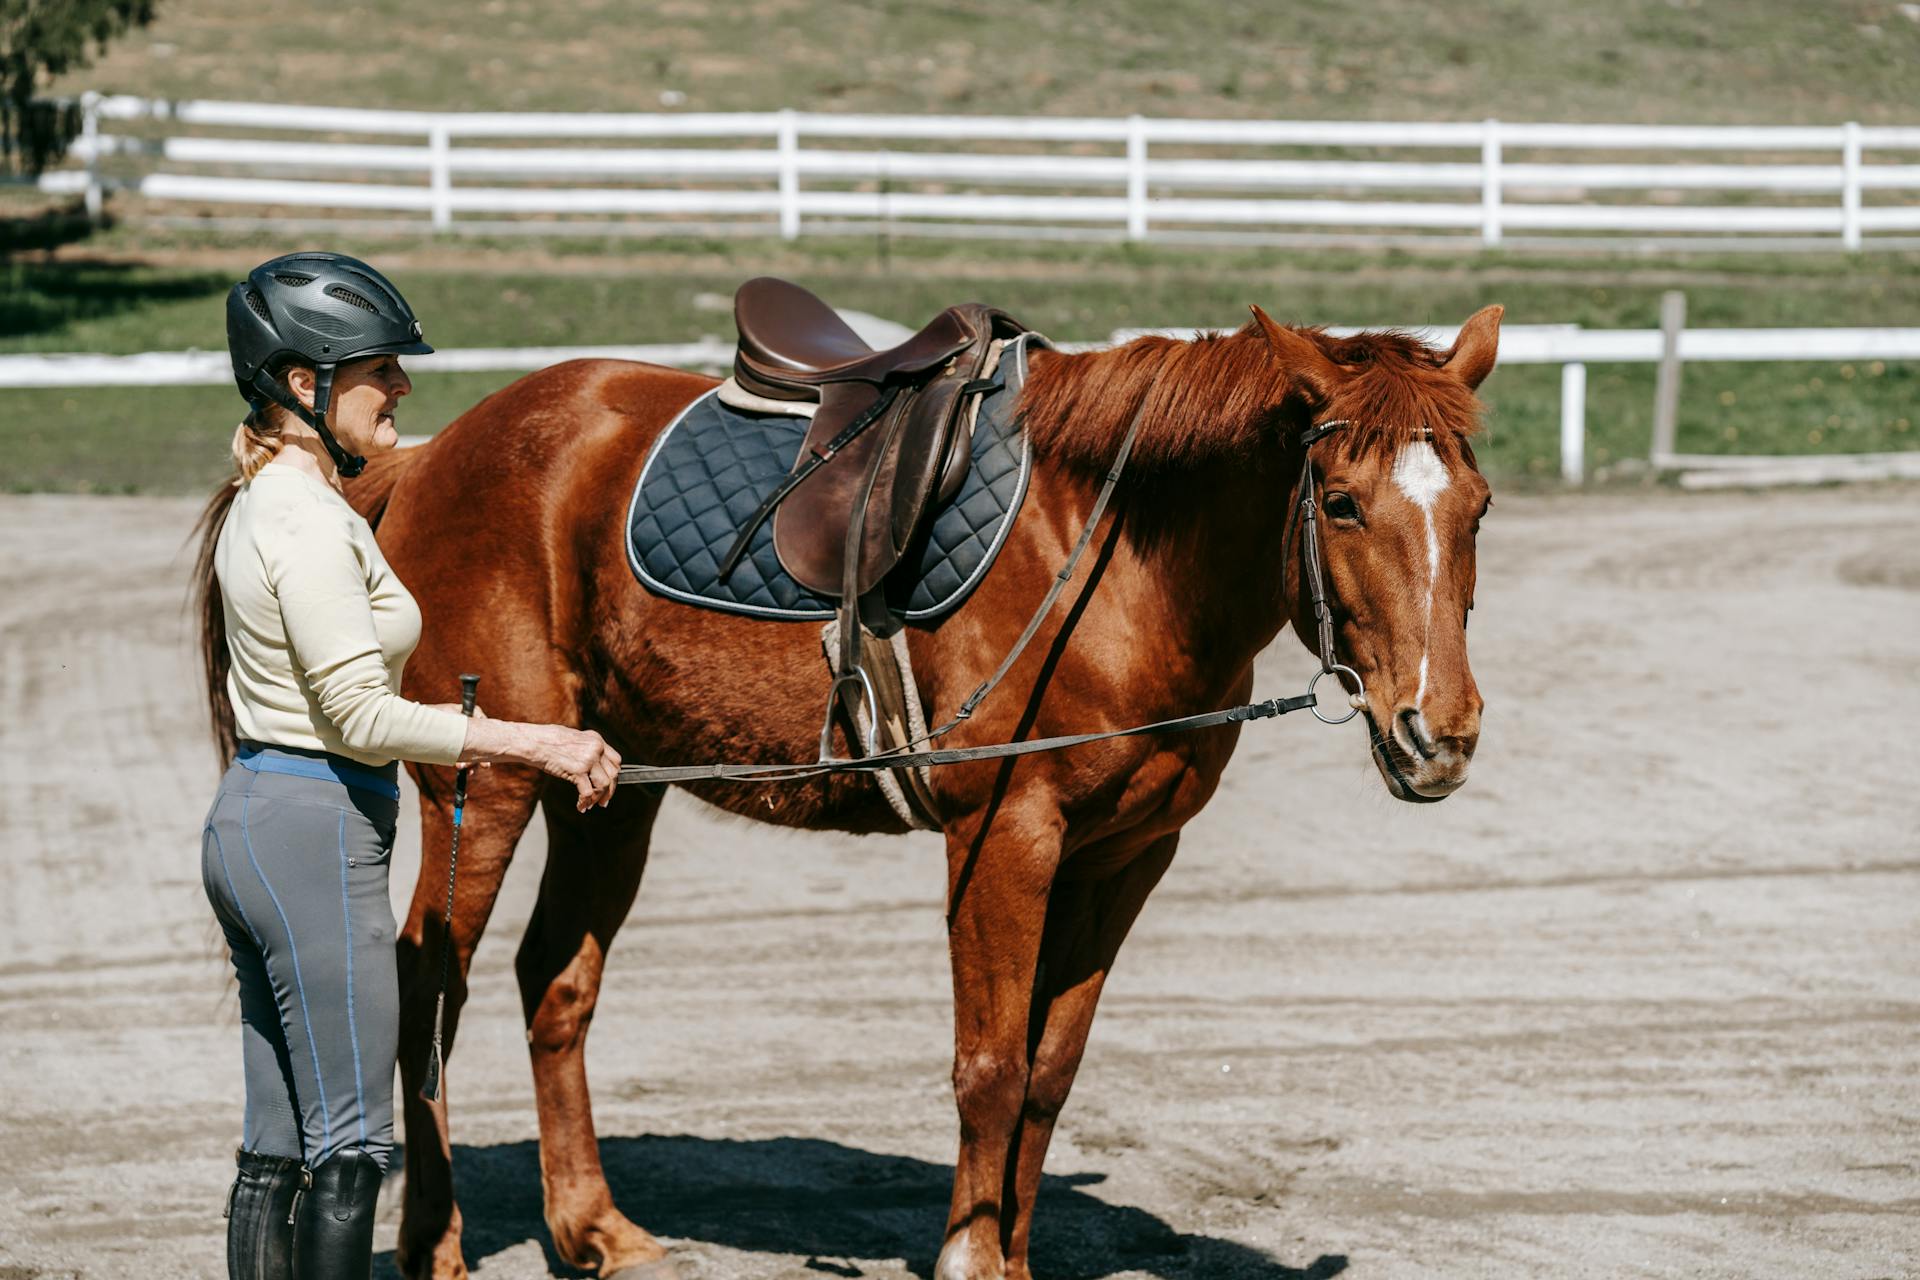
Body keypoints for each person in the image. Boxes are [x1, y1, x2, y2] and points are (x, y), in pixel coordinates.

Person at [188, 252, 622, 1279]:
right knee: (351, 1148)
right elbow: (357, 710)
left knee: (278, 1144)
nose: (402, 386)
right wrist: (540, 739)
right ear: (306, 384)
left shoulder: (276, 499)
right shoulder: (302, 521)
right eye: (379, 367)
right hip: (313, 825)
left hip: (260, 816)